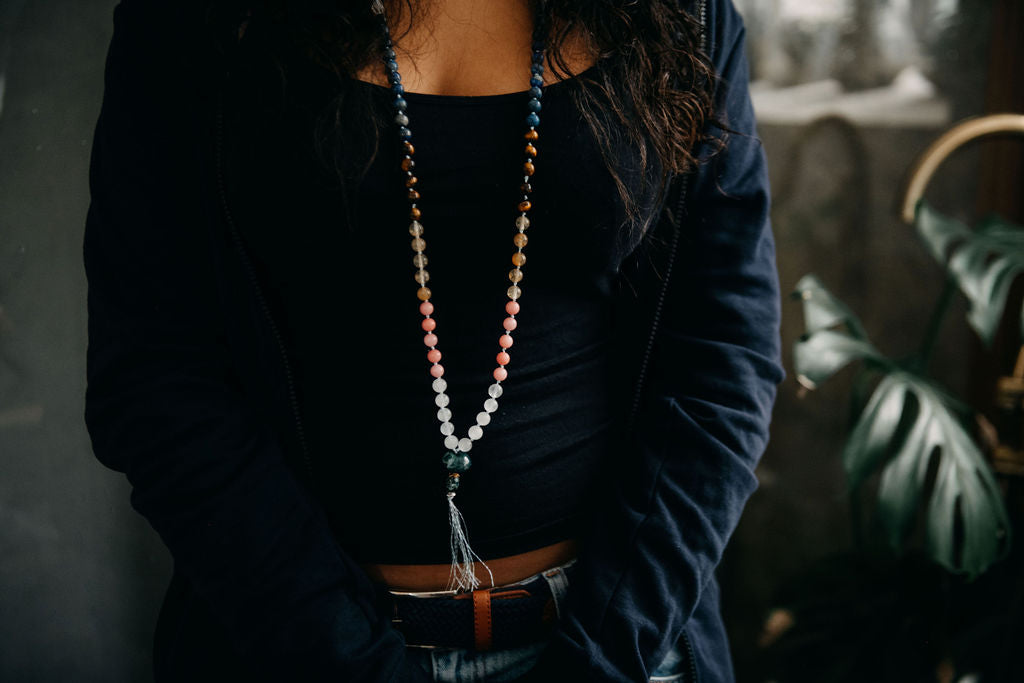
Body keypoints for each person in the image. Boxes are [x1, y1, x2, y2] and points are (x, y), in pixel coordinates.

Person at [82, 0, 783, 681]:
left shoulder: (681, 13)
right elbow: (155, 373)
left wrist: (602, 658)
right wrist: (347, 660)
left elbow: (725, 356)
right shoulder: (200, 17)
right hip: (293, 647)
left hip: (624, 641)